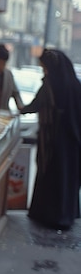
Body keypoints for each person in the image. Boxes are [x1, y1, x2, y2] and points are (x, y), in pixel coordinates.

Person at [20, 49, 81, 230]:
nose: (44, 72)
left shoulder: (50, 84)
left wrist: (19, 111)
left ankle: (47, 215)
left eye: (45, 68)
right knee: (66, 178)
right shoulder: (75, 85)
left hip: (52, 143)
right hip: (72, 143)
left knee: (51, 178)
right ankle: (65, 216)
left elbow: (36, 105)